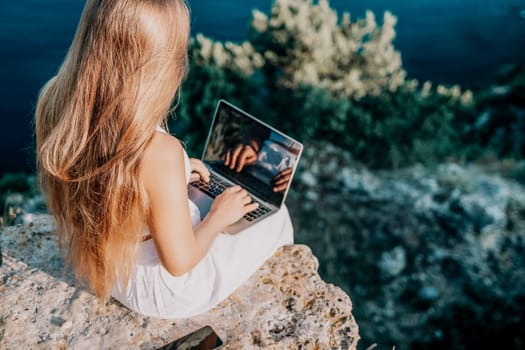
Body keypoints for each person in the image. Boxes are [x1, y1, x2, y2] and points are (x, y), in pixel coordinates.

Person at [34, 0, 293, 319]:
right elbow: (179, 261)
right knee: (277, 217)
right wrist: (218, 218)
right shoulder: (159, 151)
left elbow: (117, 181)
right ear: (157, 67)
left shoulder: (55, 100)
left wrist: (180, 174)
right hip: (161, 290)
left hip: (109, 264)